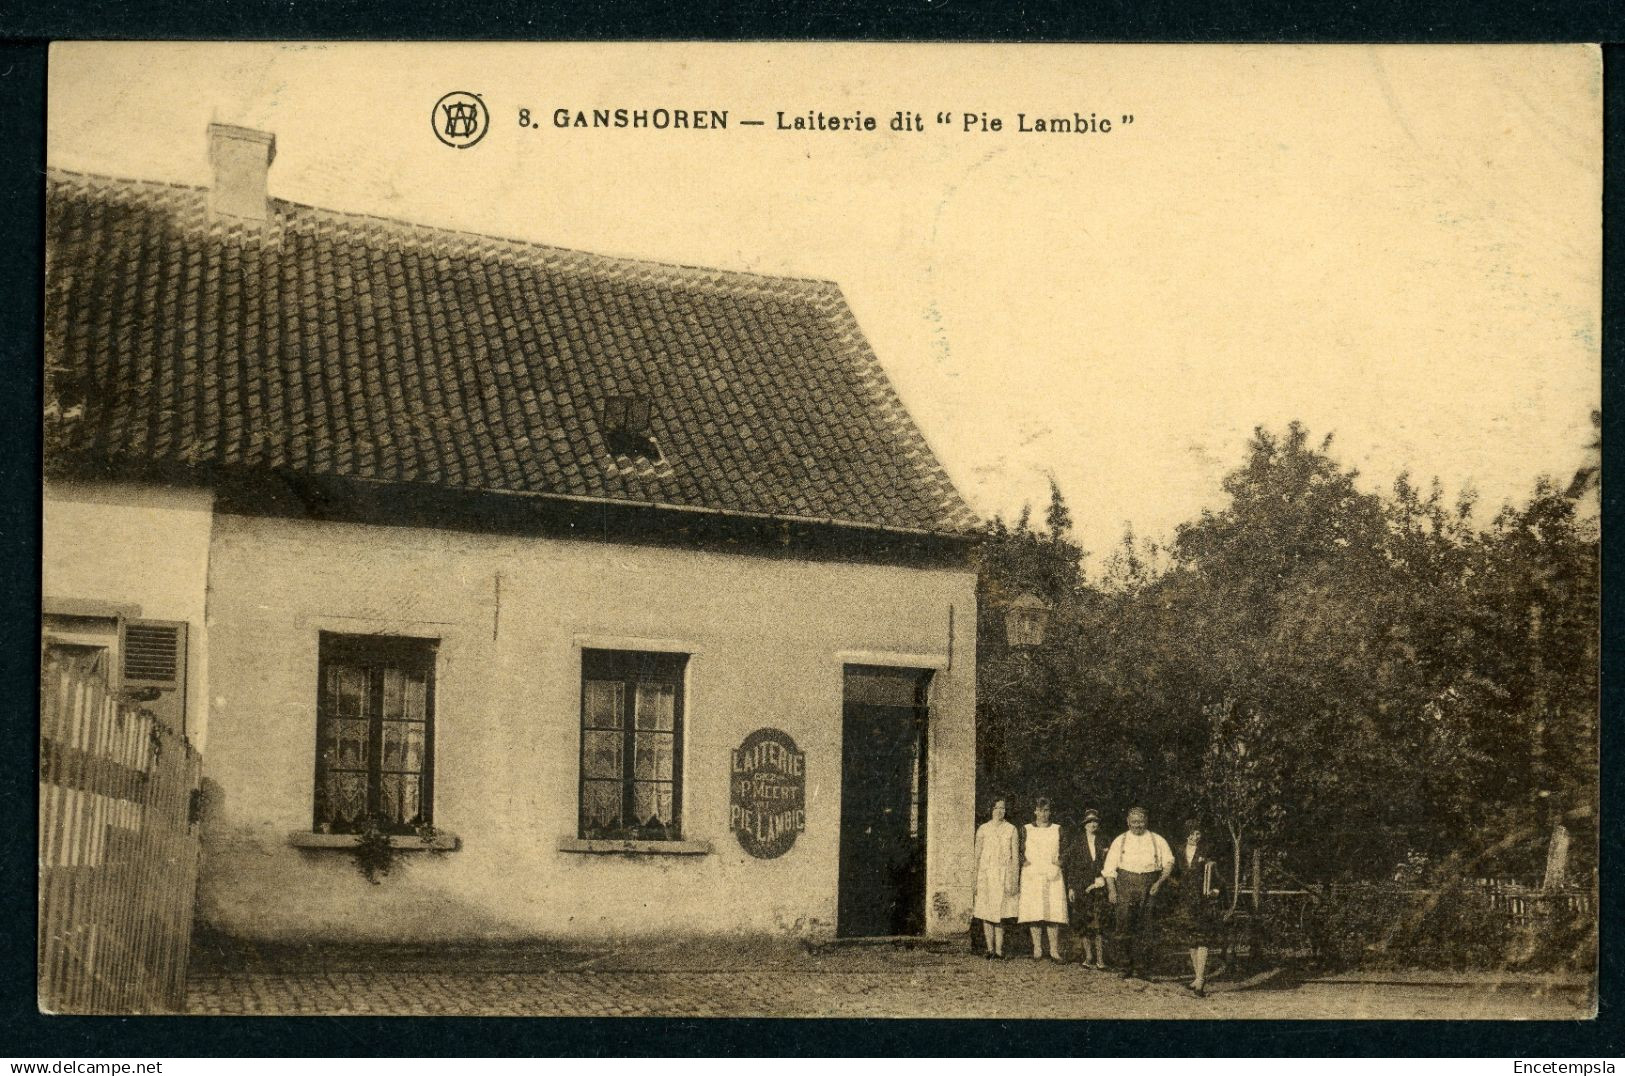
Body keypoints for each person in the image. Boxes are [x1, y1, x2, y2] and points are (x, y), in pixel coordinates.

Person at [1103, 806, 1174, 979]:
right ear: (1128, 822)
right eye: (1134, 822)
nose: (1137, 825)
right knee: (1124, 924)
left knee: (1146, 926)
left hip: (1149, 884)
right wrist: (1112, 890)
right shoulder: (1120, 840)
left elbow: (1169, 863)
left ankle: (1142, 968)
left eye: (1140, 821)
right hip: (1125, 883)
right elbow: (1109, 868)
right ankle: (1124, 966)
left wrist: (1159, 882)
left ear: (1146, 821)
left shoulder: (1157, 840)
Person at [1164, 818, 1224, 997]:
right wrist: (1176, 886)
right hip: (1185, 900)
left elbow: (1218, 873)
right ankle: (1197, 977)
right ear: (1186, 835)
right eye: (1192, 834)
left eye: (1198, 833)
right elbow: (1173, 873)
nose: (1196, 837)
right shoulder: (1178, 850)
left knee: (1202, 937)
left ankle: (1200, 979)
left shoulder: (1207, 850)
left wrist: (1216, 889)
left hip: (1203, 899)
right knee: (1191, 938)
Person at [1017, 797, 1067, 961]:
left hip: (1052, 874)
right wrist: (1023, 860)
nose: (1043, 814)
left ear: (1050, 812)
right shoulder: (1026, 829)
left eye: (1046, 810)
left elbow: (1066, 849)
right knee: (1035, 911)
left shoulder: (1057, 829)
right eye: (1040, 810)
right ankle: (1037, 948)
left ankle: (1054, 950)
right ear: (1035, 811)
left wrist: (1061, 861)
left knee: (1054, 912)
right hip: (1032, 874)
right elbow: (1018, 849)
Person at [970, 797, 1020, 958]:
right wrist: (974, 879)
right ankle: (989, 949)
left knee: (1000, 914)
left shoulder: (1011, 829)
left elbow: (1015, 857)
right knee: (986, 913)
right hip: (986, 875)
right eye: (996, 808)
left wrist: (1014, 879)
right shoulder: (983, 829)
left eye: (1003, 808)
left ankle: (999, 950)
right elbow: (977, 856)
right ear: (991, 810)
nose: (1000, 811)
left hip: (1004, 875)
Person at [1065, 807, 1110, 969]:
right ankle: (1088, 956)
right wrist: (1071, 887)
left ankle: (1100, 959)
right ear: (1084, 825)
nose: (1093, 825)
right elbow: (1072, 866)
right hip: (1081, 887)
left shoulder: (1104, 841)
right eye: (1090, 822)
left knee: (1098, 923)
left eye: (1095, 822)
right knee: (1083, 921)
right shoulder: (1077, 842)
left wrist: (1102, 878)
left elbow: (1110, 863)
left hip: (1099, 886)